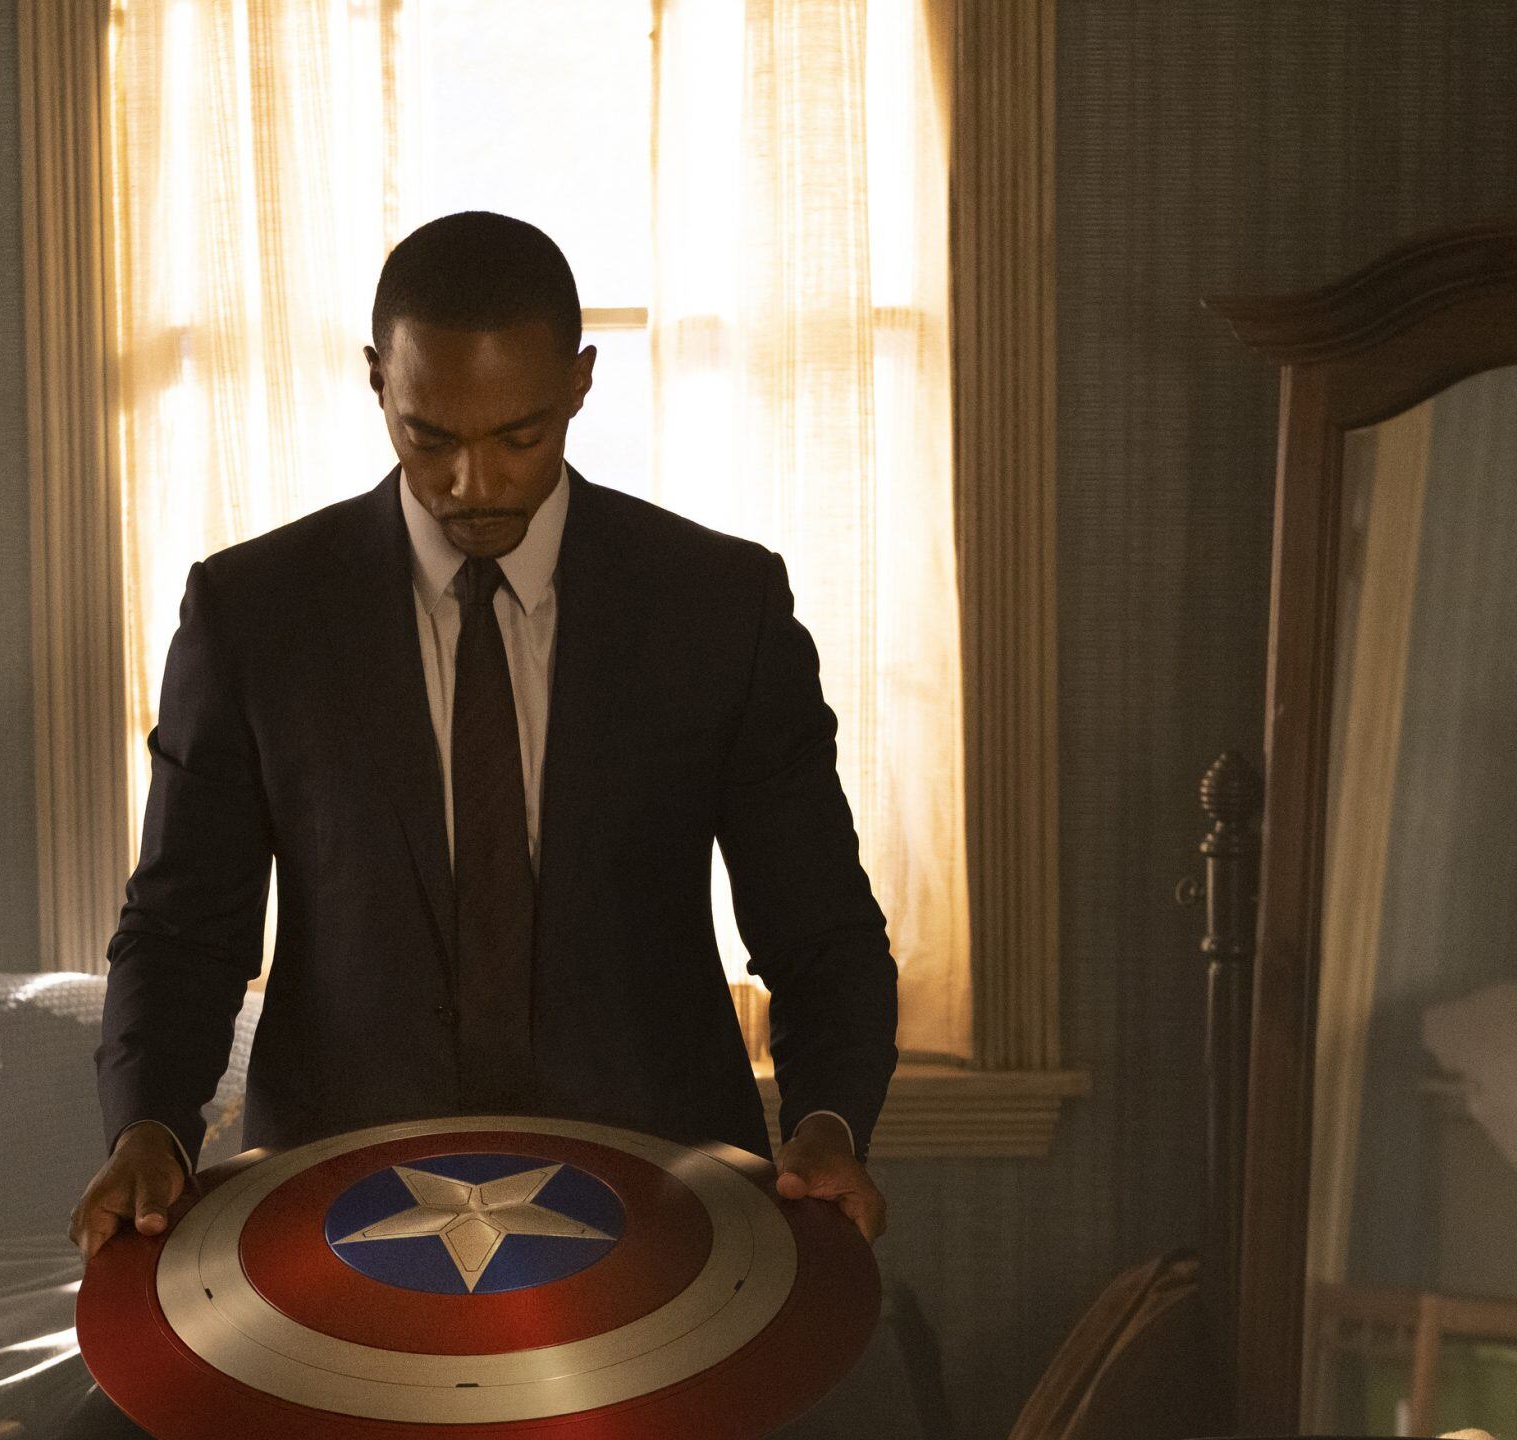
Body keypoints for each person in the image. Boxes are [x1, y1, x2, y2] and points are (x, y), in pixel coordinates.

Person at [68, 211, 898, 1274]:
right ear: (377, 382)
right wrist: (149, 1128)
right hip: (342, 1208)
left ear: (581, 383)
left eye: (520, 437)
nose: (474, 483)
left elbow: (818, 927)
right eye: (430, 438)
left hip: (662, 1202)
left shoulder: (720, 609)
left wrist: (828, 1121)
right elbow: (183, 930)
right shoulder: (254, 615)